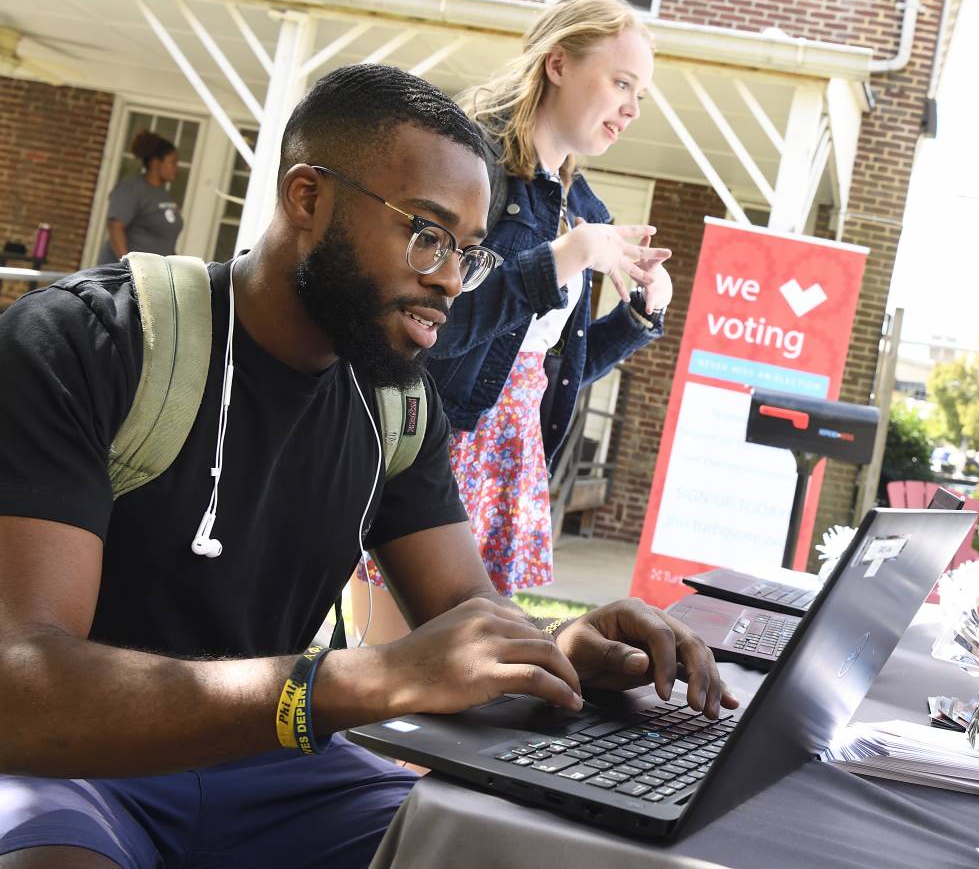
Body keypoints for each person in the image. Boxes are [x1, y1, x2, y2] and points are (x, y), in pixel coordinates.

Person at [0, 64, 733, 869]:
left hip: (274, 767)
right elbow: (21, 686)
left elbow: (462, 613)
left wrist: (557, 648)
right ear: (307, 198)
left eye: (469, 252)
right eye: (426, 232)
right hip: (71, 765)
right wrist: (354, 682)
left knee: (490, 849)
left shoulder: (397, 403)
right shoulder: (88, 343)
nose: (450, 279)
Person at [354, 0, 672, 640]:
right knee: (402, 684)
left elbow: (547, 373)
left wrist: (640, 313)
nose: (632, 109)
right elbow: (416, 333)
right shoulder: (473, 168)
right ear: (558, 65)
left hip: (510, 455)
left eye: (640, 93)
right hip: (431, 446)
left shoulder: (583, 207)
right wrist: (561, 259)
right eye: (621, 83)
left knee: (459, 700)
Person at [99, 130, 184, 263]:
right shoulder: (131, 188)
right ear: (156, 162)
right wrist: (127, 265)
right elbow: (115, 227)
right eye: (173, 162)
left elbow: (164, 240)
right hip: (125, 277)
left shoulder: (164, 195)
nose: (177, 168)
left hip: (152, 274)